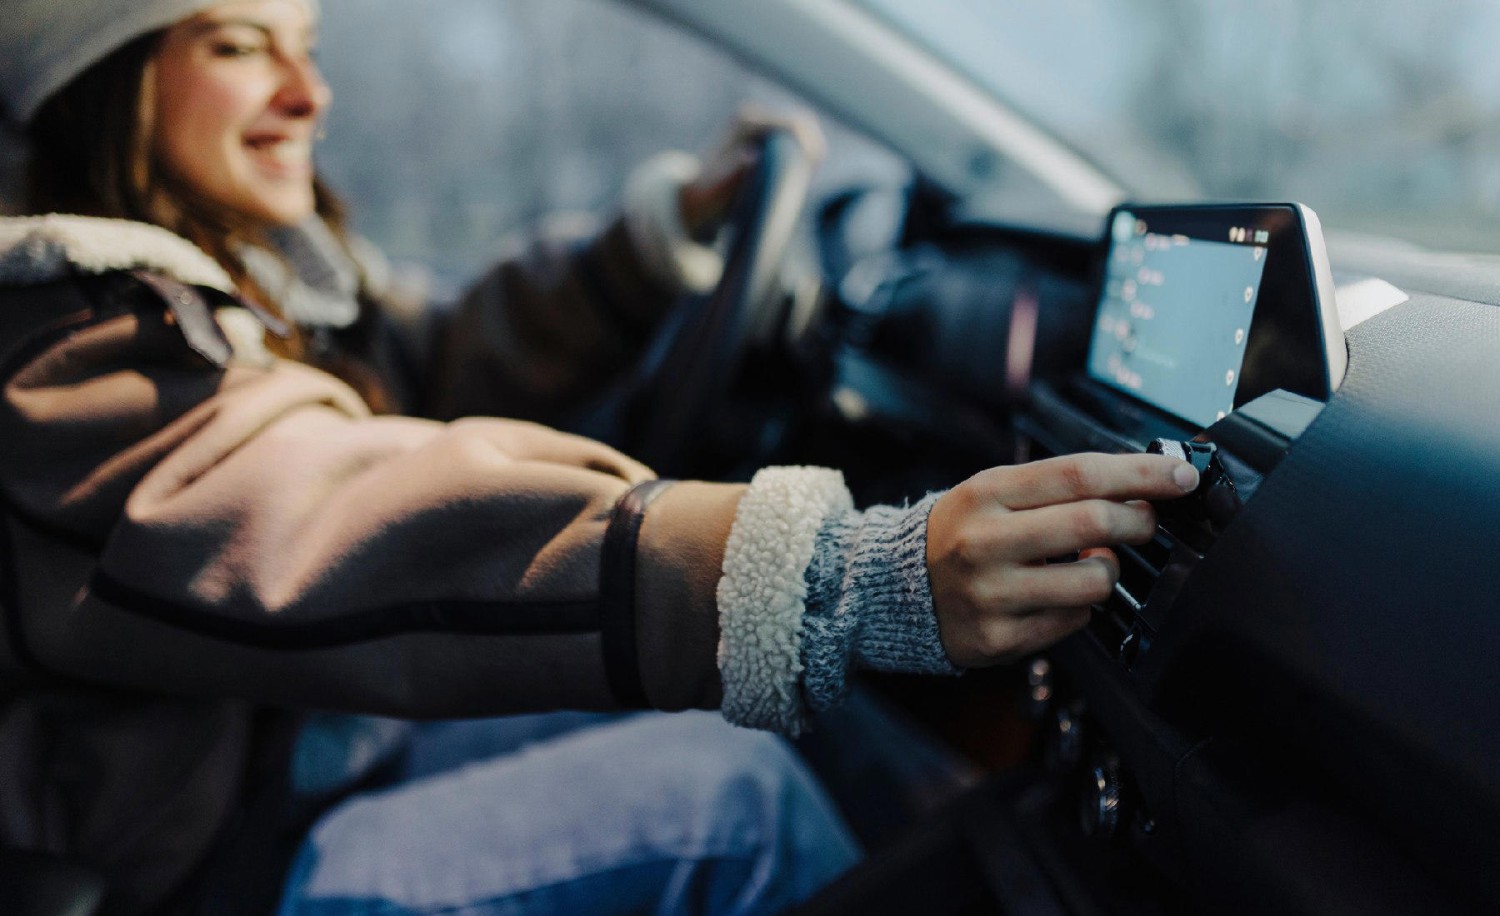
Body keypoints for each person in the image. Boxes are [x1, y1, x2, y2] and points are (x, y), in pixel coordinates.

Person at [0, 0, 1200, 913]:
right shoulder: (70, 341)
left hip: (284, 746)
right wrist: (838, 574)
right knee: (738, 805)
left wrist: (649, 249)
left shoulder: (222, 285)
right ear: (97, 73)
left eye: (306, 42)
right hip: (207, 868)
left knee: (750, 733)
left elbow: (432, 355)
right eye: (237, 43)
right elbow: (331, 519)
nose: (307, 92)